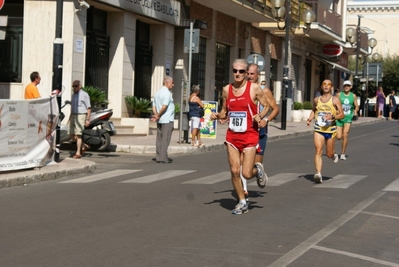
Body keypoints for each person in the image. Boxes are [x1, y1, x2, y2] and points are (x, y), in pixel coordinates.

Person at [210, 59, 269, 215]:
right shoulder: (226, 90)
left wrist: (261, 116)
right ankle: (242, 202)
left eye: (241, 71)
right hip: (232, 136)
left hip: (250, 135)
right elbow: (225, 111)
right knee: (235, 171)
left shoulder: (254, 88)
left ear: (245, 73)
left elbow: (267, 105)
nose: (238, 74)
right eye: (235, 71)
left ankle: (257, 170)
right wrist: (217, 115)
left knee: (246, 174)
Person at [241, 63, 279, 200]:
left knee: (255, 164)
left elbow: (275, 108)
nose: (249, 76)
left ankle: (258, 171)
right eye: (248, 73)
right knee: (242, 163)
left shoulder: (265, 91)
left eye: (252, 74)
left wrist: (266, 119)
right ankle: (244, 191)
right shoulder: (241, 89)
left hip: (260, 131)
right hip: (244, 130)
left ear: (258, 75)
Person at [306, 79, 344, 183]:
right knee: (318, 150)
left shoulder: (335, 100)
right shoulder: (316, 100)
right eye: (324, 84)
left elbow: (342, 114)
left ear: (331, 87)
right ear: (322, 87)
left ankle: (333, 153)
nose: (326, 86)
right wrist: (310, 118)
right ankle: (318, 173)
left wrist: (332, 116)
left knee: (329, 154)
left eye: (328, 85)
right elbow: (314, 110)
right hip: (319, 128)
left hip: (330, 129)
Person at [151, 76, 175, 164]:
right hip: (166, 119)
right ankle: (162, 157)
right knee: (165, 138)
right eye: (172, 83)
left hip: (160, 119)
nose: (173, 85)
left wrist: (156, 115)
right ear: (167, 83)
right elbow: (164, 106)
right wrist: (158, 115)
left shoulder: (158, 93)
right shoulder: (167, 93)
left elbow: (153, 106)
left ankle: (159, 156)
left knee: (159, 139)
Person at [335, 80, 359, 161]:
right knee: (338, 137)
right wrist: (336, 110)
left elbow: (356, 106)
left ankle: (342, 153)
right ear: (343, 86)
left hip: (348, 118)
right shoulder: (339, 95)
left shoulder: (353, 96)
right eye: (345, 85)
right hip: (339, 117)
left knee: (345, 135)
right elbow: (334, 104)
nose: (346, 87)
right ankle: (333, 150)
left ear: (351, 87)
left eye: (348, 86)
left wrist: (355, 110)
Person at [69, 80, 91, 159]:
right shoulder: (73, 95)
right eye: (73, 86)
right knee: (71, 134)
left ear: (80, 86)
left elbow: (88, 108)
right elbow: (72, 107)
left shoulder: (84, 95)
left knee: (78, 134)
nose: (74, 88)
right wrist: (69, 117)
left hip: (81, 115)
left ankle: (78, 153)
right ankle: (83, 145)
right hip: (73, 115)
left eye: (76, 86)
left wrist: (87, 119)